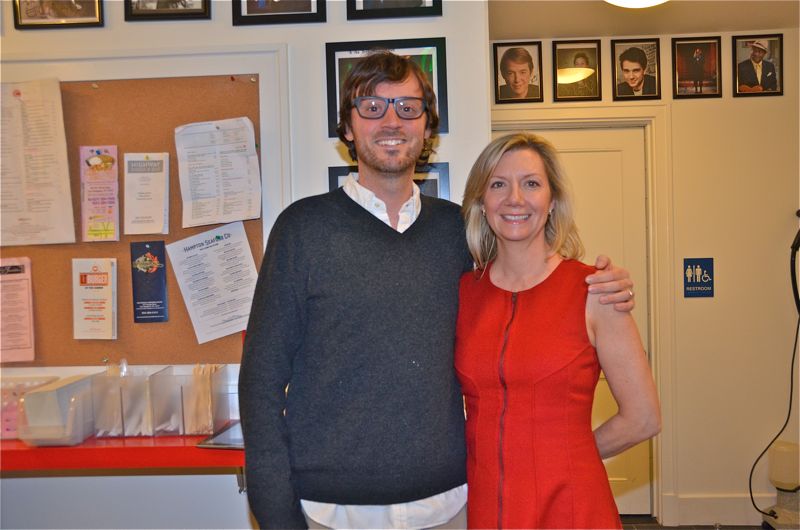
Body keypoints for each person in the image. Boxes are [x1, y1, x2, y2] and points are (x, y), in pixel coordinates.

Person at [239, 51, 635, 530]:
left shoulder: (458, 234)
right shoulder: (301, 230)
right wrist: (276, 515)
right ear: (347, 126)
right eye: (372, 107)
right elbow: (259, 384)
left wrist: (598, 283)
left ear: (427, 128)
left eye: (408, 107)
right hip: (330, 512)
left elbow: (528, 288)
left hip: (450, 508)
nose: (391, 121)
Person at [455, 132, 661, 529]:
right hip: (487, 506)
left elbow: (644, 417)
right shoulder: (465, 292)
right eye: (498, 184)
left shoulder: (595, 290)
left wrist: (567, 456)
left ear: (552, 203)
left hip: (570, 505)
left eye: (531, 183)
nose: (515, 198)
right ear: (482, 203)